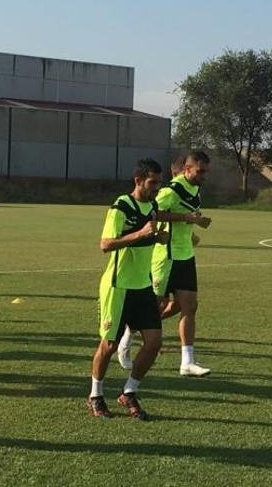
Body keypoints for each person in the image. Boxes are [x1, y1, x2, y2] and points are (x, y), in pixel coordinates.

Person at [88, 158, 169, 420]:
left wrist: (157, 238)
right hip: (118, 285)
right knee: (109, 345)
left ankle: (129, 392)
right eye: (152, 182)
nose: (157, 188)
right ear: (138, 180)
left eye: (159, 182)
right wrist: (141, 234)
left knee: (154, 342)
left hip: (142, 286)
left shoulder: (153, 206)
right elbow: (105, 244)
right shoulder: (121, 206)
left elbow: (146, 237)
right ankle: (96, 395)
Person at [119, 152, 212, 376]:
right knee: (156, 306)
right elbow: (152, 213)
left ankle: (187, 362)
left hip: (185, 255)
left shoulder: (196, 188)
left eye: (206, 172)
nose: (204, 176)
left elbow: (185, 214)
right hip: (165, 256)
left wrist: (192, 228)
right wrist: (186, 220)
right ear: (187, 169)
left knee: (188, 305)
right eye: (200, 171)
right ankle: (128, 336)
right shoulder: (171, 190)